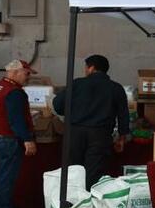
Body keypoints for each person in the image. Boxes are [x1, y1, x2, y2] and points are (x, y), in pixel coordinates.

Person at [53, 54, 131, 187]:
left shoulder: (77, 84)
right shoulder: (116, 88)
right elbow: (123, 115)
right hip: (100, 135)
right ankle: (90, 197)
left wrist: (70, 113)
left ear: (91, 68)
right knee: (94, 172)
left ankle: (73, 198)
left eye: (86, 67)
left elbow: (58, 105)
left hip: (75, 133)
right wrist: (121, 138)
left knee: (73, 170)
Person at [0, 59, 38, 208]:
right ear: (15, 72)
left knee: (3, 175)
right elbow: (16, 119)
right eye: (26, 73)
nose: (28, 77)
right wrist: (27, 139)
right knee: (6, 177)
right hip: (7, 139)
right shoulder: (14, 92)